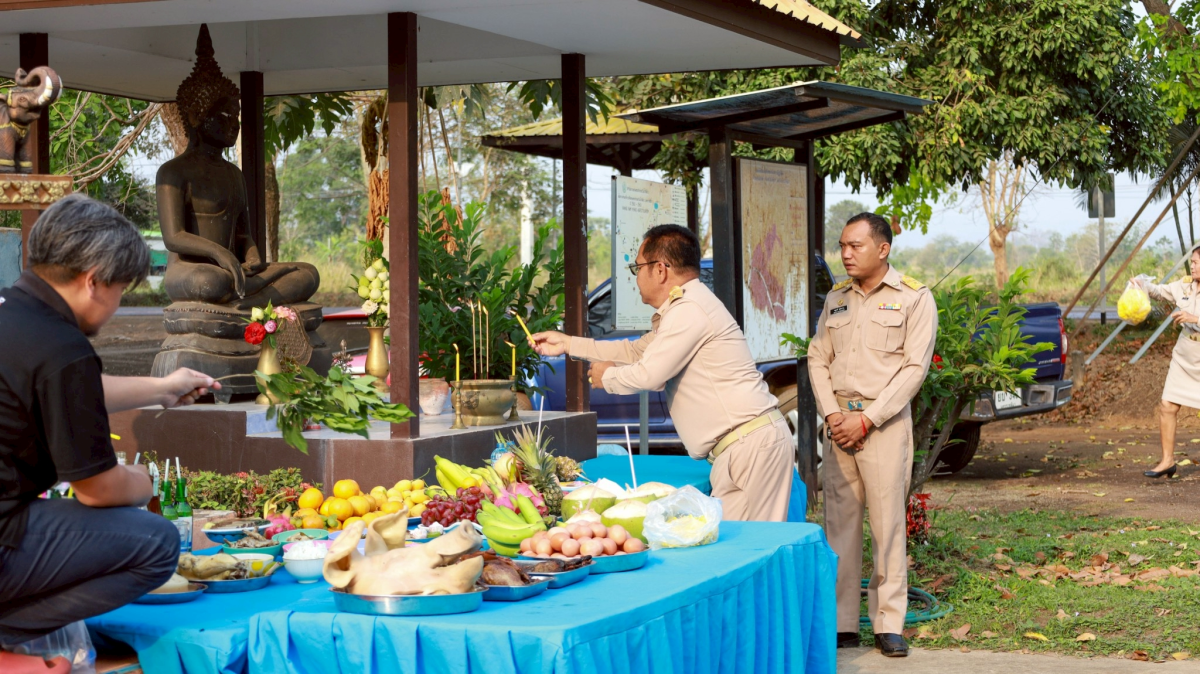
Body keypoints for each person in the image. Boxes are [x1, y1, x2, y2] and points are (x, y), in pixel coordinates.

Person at [0, 195, 219, 654]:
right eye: (122, 289)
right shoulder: (61, 347)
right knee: (157, 543)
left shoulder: (14, 315)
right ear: (94, 281)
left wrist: (161, 388)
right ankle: (11, 628)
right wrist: (145, 483)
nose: (118, 304)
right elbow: (95, 490)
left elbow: (61, 391)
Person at [529, 224, 792, 521]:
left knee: (754, 550)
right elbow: (636, 351)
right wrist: (568, 344)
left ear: (660, 270)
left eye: (637, 267)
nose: (636, 277)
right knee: (742, 548)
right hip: (742, 448)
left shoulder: (689, 309)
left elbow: (650, 375)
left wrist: (608, 378)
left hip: (750, 448)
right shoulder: (686, 306)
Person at [807, 212, 937, 658]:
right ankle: (843, 623)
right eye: (842, 245)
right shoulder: (836, 299)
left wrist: (868, 419)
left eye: (855, 246)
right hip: (839, 425)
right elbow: (817, 358)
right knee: (839, 528)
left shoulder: (914, 299)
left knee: (887, 527)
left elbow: (913, 370)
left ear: (883, 249)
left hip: (882, 427)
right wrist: (832, 415)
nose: (845, 254)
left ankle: (888, 623)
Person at [1132, 245, 1200, 479]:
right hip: (1184, 355)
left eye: (1196, 262)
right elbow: (1160, 292)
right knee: (1167, 406)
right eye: (1191, 261)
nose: (1192, 265)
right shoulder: (1184, 285)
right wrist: (1141, 285)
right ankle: (1168, 461)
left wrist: (1195, 318)